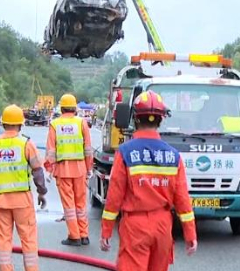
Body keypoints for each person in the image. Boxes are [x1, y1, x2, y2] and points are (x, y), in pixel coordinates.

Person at [100, 90, 198, 270]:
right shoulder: (173, 156)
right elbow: (183, 199)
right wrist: (190, 233)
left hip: (135, 226)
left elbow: (114, 196)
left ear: (136, 119)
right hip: (163, 226)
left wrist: (106, 229)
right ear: (161, 120)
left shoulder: (125, 152)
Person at [0, 104, 47, 271]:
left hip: (1, 202)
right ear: (20, 123)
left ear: (3, 123)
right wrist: (41, 193)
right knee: (29, 239)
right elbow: (37, 170)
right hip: (22, 201)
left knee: (3, 242)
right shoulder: (26, 144)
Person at [45, 93, 93, 246]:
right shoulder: (81, 123)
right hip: (80, 168)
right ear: (74, 108)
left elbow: (51, 151)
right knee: (80, 204)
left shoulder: (55, 124)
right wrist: (89, 167)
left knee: (69, 205)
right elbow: (88, 149)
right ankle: (84, 235)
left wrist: (49, 169)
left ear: (62, 108)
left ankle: (74, 236)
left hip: (63, 169)